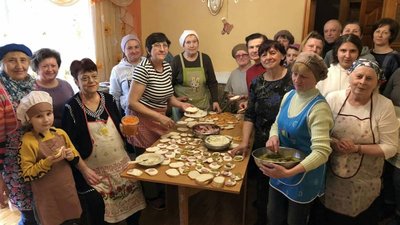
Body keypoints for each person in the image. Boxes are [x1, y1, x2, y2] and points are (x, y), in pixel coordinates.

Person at [62, 58, 145, 225]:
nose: (91, 81)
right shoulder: (71, 108)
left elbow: (119, 124)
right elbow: (69, 144)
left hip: (121, 163)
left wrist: (125, 129)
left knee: (135, 210)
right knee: (102, 215)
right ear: (76, 81)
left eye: (94, 76)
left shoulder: (108, 99)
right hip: (94, 171)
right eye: (85, 78)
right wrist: (84, 170)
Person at [320, 59, 399, 225]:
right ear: (350, 75)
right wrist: (334, 142)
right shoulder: (333, 98)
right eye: (359, 76)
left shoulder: (384, 106)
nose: (362, 82)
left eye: (369, 78)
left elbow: (391, 148)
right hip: (330, 177)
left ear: (378, 82)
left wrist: (357, 148)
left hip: (364, 182)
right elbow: (319, 133)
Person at [261, 52, 333, 225]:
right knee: (273, 215)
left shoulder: (319, 109)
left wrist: (289, 172)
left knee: (296, 221)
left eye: (304, 76)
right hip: (281, 165)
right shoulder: (290, 96)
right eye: (294, 74)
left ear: (316, 79)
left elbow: (322, 153)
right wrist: (273, 137)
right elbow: (277, 124)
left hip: (304, 173)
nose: (297, 80)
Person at [231, 40, 293, 225]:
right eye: (264, 54)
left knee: (285, 189)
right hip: (261, 144)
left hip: (287, 144)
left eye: (272, 53)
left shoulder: (293, 79)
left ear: (282, 55)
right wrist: (244, 142)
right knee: (263, 188)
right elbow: (250, 114)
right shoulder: (257, 82)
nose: (268, 57)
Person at [126, 32, 191, 209]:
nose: (162, 49)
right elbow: (132, 102)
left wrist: (180, 105)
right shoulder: (143, 68)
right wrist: (160, 117)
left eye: (165, 45)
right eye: (157, 46)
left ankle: (161, 190)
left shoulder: (167, 67)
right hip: (143, 120)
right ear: (148, 49)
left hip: (159, 117)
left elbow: (168, 96)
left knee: (162, 155)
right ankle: (151, 196)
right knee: (146, 160)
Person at [17, 91, 95, 225]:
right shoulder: (27, 141)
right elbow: (27, 174)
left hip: (67, 189)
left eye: (49, 114)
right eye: (39, 116)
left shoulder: (60, 133)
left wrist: (71, 156)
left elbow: (75, 155)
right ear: (29, 119)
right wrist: (48, 162)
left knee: (72, 219)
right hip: (47, 197)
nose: (46, 119)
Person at [0, 43, 38, 225]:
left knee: (41, 207)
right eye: (12, 60)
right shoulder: (1, 90)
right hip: (12, 161)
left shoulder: (34, 84)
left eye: (23, 60)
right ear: (2, 63)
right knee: (28, 212)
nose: (19, 65)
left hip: (37, 155)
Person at [171, 30, 220, 116]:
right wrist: (175, 99)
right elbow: (168, 84)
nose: (192, 45)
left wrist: (215, 100)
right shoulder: (177, 60)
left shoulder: (205, 59)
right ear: (183, 45)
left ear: (198, 43)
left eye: (194, 41)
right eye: (188, 42)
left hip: (203, 106)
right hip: (182, 108)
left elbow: (212, 82)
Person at [31, 48, 74, 128]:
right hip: (44, 135)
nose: (50, 69)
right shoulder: (31, 89)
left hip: (69, 131)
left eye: (53, 66)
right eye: (45, 66)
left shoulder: (66, 85)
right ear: (36, 69)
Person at [109, 34, 145, 116]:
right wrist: (117, 119)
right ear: (124, 50)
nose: (134, 51)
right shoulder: (117, 70)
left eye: (137, 47)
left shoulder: (149, 64)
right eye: (129, 48)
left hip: (150, 112)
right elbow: (114, 97)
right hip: (129, 115)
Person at [370, 18, 400, 92]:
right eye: (377, 31)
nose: (379, 35)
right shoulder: (367, 53)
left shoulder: (394, 57)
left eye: (385, 33)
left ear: (391, 36)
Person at [224, 43, 251, 112]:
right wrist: (230, 96)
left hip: (252, 110)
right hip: (237, 111)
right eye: (238, 56)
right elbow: (228, 92)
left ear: (250, 56)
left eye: (244, 55)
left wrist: (245, 97)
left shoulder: (255, 71)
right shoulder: (234, 73)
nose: (241, 57)